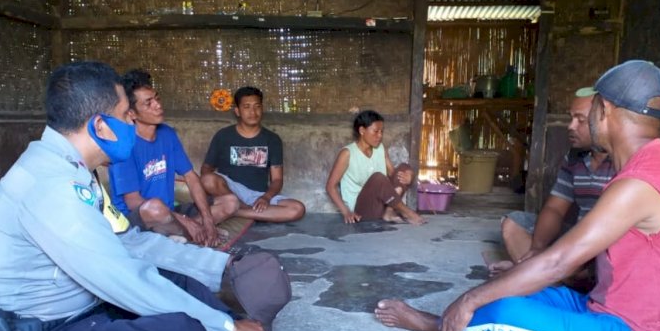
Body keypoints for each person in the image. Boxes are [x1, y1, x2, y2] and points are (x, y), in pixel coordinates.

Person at [0, 61, 335, 331]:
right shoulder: (50, 187)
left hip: (77, 314)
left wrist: (222, 266)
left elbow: (129, 241)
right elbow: (120, 276)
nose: (132, 122)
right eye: (126, 115)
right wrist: (223, 326)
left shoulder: (73, 172)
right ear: (101, 125)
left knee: (177, 282)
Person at [375, 60, 660, 331]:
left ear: (603, 109)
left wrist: (467, 300)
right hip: (610, 311)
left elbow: (558, 262)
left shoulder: (640, 183)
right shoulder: (654, 165)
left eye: (588, 110)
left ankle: (433, 325)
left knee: (505, 314)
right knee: (506, 291)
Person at [108, 69, 239, 248]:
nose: (158, 105)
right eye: (148, 103)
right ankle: (189, 233)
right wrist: (186, 221)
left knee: (230, 202)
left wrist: (207, 219)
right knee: (154, 208)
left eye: (157, 98)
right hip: (139, 219)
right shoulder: (124, 145)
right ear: (132, 113)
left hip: (170, 212)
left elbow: (191, 177)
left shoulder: (167, 134)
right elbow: (133, 202)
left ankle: (185, 234)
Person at [491, 89, 615, 273]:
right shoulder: (574, 158)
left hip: (605, 245)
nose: (571, 126)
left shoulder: (624, 161)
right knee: (514, 223)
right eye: (571, 118)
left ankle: (536, 275)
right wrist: (536, 249)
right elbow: (554, 209)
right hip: (577, 240)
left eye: (580, 120)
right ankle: (540, 272)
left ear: (602, 119)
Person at [200, 86, 305, 223]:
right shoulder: (223, 136)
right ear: (237, 111)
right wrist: (215, 190)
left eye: (257, 106)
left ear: (262, 109)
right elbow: (206, 169)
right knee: (207, 179)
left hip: (257, 196)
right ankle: (242, 208)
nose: (253, 112)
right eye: (247, 107)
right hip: (230, 191)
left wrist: (266, 198)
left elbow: (277, 180)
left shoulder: (272, 139)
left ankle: (237, 211)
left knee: (297, 209)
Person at [325, 110, 426, 225]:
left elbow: (394, 174)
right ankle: (406, 212)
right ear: (362, 130)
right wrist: (346, 212)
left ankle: (389, 211)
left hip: (383, 205)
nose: (380, 135)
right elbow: (330, 186)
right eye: (376, 131)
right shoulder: (347, 153)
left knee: (404, 167)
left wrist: (409, 175)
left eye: (381, 132)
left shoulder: (380, 148)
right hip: (362, 210)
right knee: (378, 178)